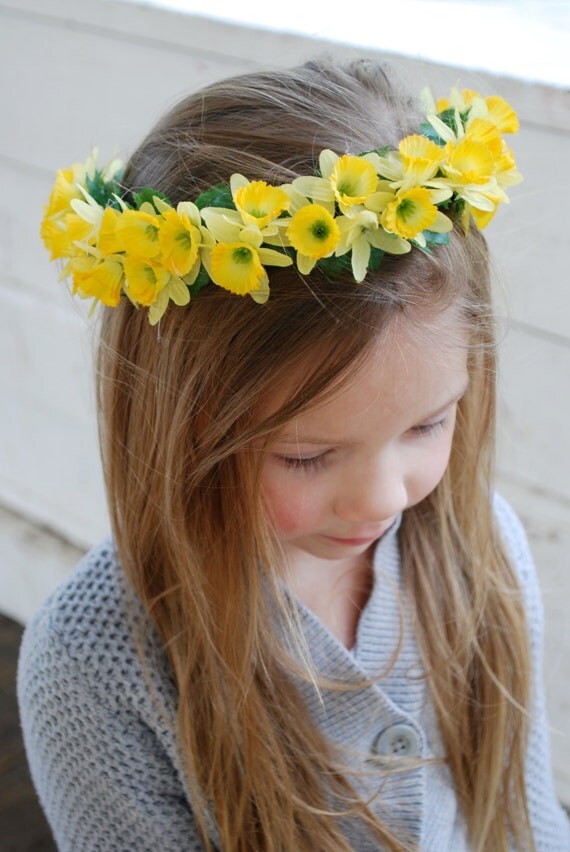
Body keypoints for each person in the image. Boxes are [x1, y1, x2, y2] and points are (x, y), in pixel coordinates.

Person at [18, 59, 569, 851]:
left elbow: (526, 820)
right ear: (180, 425)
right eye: (308, 457)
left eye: (427, 426)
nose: (382, 499)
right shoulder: (94, 666)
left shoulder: (484, 547)